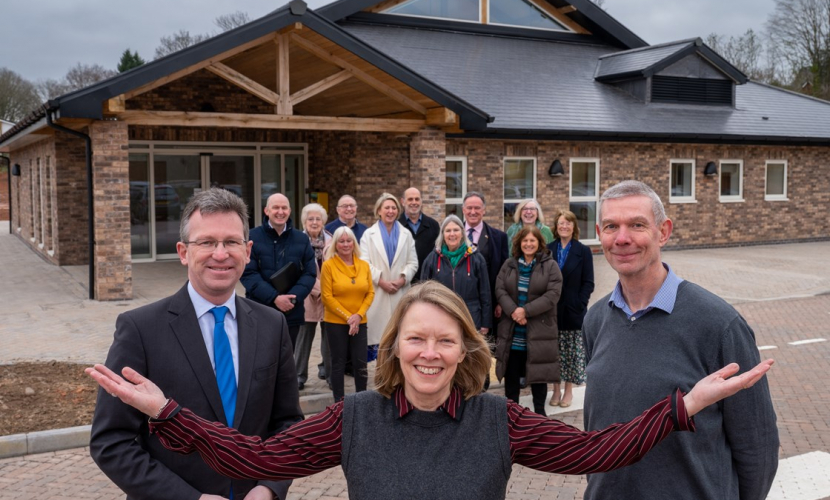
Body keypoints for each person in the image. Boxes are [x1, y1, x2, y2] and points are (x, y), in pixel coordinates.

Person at [88, 282, 775, 500]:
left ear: (464, 351)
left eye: (445, 340)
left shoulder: (497, 419)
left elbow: (598, 451)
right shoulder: (351, 418)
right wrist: (168, 414)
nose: (429, 353)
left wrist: (683, 407)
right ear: (393, 348)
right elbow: (257, 461)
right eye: (416, 339)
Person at [89, 188, 303, 500]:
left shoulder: (272, 324)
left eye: (231, 242)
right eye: (206, 242)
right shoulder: (140, 329)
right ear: (183, 251)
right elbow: (111, 441)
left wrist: (269, 487)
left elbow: (288, 424)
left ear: (248, 250)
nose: (220, 253)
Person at [582, 180, 779, 500]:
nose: (622, 238)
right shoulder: (595, 320)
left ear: (663, 232)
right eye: (610, 226)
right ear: (599, 233)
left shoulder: (719, 323)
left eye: (636, 225)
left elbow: (757, 444)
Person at [495, 226, 562, 416]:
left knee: (539, 375)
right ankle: (511, 416)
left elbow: (553, 294)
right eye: (525, 241)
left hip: (539, 331)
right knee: (512, 376)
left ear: (539, 243)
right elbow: (500, 289)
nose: (528, 244)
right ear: (519, 243)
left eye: (532, 240)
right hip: (513, 331)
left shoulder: (550, 266)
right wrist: (514, 311)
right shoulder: (509, 264)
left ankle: (540, 415)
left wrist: (525, 311)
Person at [241, 193, 317, 348]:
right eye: (275, 207)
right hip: (260, 309)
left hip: (292, 311)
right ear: (266, 211)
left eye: (284, 208)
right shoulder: (252, 237)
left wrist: (293, 298)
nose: (280, 212)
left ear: (289, 211)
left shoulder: (301, 239)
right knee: (261, 357)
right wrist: (274, 298)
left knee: (287, 360)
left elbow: (309, 273)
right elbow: (248, 273)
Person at [359, 192, 418, 359]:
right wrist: (382, 281)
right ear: (379, 211)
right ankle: (381, 378)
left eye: (394, 208)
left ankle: (399, 378)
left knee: (400, 340)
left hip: (400, 293)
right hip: (378, 293)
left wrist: (402, 279)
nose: (390, 211)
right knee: (380, 344)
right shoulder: (368, 235)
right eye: (387, 208)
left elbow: (413, 262)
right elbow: (364, 263)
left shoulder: (406, 235)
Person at [320, 226, 374, 402]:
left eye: (348, 240)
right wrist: (348, 317)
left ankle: (362, 401)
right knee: (338, 363)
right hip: (336, 322)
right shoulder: (328, 266)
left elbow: (370, 293)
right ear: (335, 244)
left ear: (354, 243)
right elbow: (327, 297)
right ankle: (339, 404)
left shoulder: (364, 265)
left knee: (360, 363)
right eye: (341, 241)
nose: (345, 244)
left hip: (360, 321)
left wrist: (358, 316)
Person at [546, 209, 594, 408]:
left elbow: (588, 282)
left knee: (571, 355)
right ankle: (555, 390)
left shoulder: (582, 251)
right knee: (554, 354)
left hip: (573, 312)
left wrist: (579, 303)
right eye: (560, 223)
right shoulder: (548, 249)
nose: (564, 226)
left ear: (574, 227)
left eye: (568, 223)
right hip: (552, 312)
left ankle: (568, 391)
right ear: (556, 227)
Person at [420, 215, 491, 335]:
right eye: (448, 230)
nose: (452, 234)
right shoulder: (432, 259)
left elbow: (485, 293)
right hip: (440, 317)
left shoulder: (476, 258)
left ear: (462, 233)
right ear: (443, 234)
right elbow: (422, 291)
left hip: (471, 318)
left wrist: (486, 323)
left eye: (456, 230)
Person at [294, 203, 332, 390]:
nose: (315, 222)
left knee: (329, 337)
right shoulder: (297, 241)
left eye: (318, 218)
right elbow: (298, 270)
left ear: (323, 221)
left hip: (330, 298)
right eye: (311, 219)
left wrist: (328, 292)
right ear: (304, 221)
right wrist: (319, 290)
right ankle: (299, 375)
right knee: (303, 338)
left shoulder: (332, 241)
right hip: (306, 296)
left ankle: (329, 372)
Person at [462, 192, 509, 324]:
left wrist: (501, 302)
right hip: (458, 302)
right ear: (463, 210)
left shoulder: (499, 238)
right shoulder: (450, 234)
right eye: (469, 208)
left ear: (484, 210)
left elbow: (504, 274)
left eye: (477, 208)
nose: (473, 212)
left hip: (488, 305)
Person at [399, 187, 440, 283]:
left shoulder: (433, 225)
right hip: (402, 282)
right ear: (402, 202)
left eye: (417, 199)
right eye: (410, 199)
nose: (414, 202)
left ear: (421, 201)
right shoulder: (397, 226)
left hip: (427, 282)